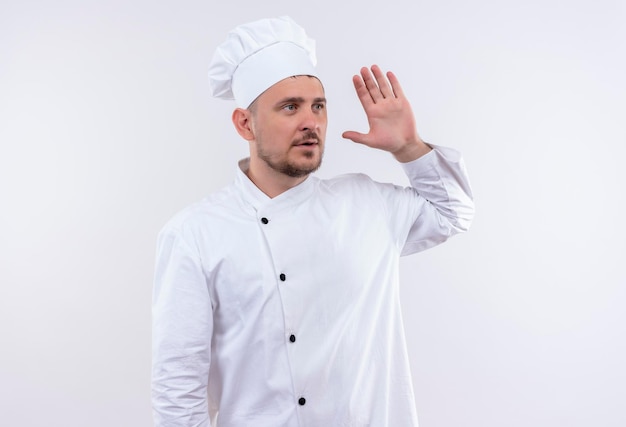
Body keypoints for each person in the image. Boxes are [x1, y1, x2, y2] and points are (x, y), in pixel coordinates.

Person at [152, 15, 474, 427]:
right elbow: (178, 385)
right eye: (290, 107)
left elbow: (454, 211)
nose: (311, 122)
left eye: (318, 106)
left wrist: (409, 147)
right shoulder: (194, 234)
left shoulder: (366, 203)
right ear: (244, 123)